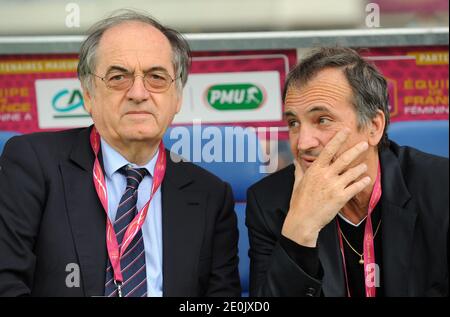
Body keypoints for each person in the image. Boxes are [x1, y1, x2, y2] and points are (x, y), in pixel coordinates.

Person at [0, 10, 240, 297]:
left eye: (156, 77)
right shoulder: (33, 164)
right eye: (118, 77)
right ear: (89, 95)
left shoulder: (211, 195)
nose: (138, 92)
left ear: (177, 97)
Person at [246, 47, 448, 297]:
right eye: (293, 123)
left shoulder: (440, 187)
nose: (303, 143)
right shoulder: (269, 203)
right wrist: (300, 231)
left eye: (322, 120)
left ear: (374, 127)